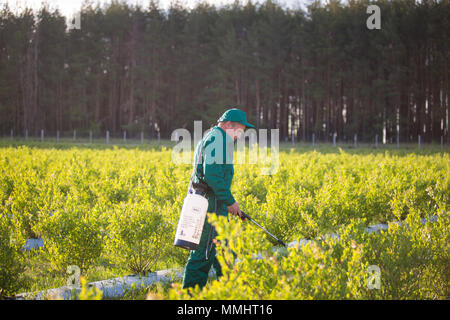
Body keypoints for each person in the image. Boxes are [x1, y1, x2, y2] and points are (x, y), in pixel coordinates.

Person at [181, 107, 255, 290]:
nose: (240, 135)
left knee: (224, 251)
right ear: (229, 125)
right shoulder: (218, 139)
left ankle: (231, 292)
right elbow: (213, 175)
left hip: (214, 203)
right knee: (203, 254)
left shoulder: (214, 136)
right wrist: (229, 201)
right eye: (240, 130)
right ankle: (189, 297)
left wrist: (227, 202)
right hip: (209, 205)